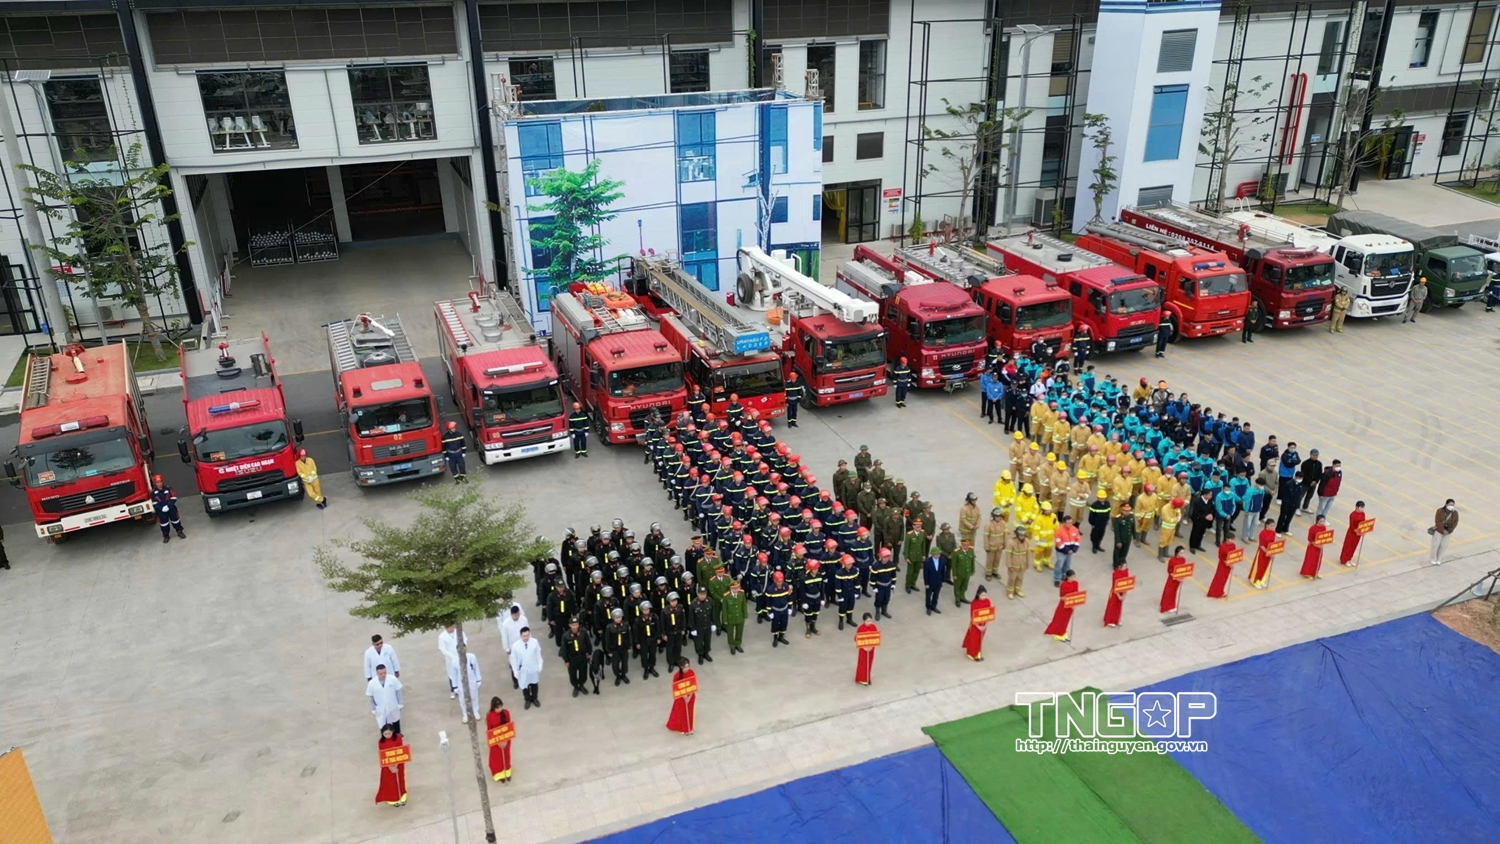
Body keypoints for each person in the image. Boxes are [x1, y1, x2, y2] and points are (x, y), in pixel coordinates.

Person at [508, 627, 543, 709]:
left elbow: (538, 654)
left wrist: (540, 664)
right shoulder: (516, 646)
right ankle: (527, 700)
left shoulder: (534, 642)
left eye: (527, 635)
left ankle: (534, 698)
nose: (526, 637)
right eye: (524, 636)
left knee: (534, 684)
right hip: (522, 670)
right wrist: (515, 671)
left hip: (533, 667)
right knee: (524, 686)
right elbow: (513, 659)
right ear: (520, 635)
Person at [366, 664, 404, 737]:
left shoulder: (392, 679)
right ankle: (385, 738)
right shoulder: (372, 683)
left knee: (395, 720)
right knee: (383, 723)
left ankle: (398, 734)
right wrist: (373, 709)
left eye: (384, 673)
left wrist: (400, 703)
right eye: (381, 673)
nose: (383, 675)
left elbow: (398, 691)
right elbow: (370, 697)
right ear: (377, 673)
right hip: (380, 707)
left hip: (392, 704)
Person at [375, 725, 407, 807]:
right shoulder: (381, 742)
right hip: (387, 765)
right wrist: (390, 767)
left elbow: (400, 751)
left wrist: (395, 765)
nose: (387, 736)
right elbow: (382, 754)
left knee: (399, 779)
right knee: (389, 782)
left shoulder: (398, 738)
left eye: (389, 733)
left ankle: (402, 794)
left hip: (398, 763)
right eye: (385, 734)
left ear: (393, 732)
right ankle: (391, 798)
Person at [498, 603, 528, 687]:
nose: (517, 616)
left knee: (524, 662)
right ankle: (515, 681)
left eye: (518, 614)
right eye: (515, 615)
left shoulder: (523, 620)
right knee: (513, 665)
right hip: (512, 647)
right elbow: (504, 637)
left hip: (523, 644)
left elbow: (528, 631)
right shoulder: (506, 623)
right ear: (511, 614)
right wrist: (506, 648)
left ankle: (525, 678)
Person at [560, 616, 591, 698]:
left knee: (583, 673)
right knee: (572, 675)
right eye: (573, 625)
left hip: (582, 657)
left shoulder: (583, 632)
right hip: (572, 659)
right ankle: (576, 687)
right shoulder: (565, 636)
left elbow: (588, 643)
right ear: (570, 625)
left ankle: (581, 685)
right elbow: (564, 649)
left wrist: (590, 653)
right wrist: (566, 660)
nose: (575, 626)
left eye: (576, 624)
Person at [1044, 570, 1079, 641]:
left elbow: (1076, 594)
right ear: (1068, 577)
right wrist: (1070, 602)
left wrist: (1074, 603)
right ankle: (1057, 633)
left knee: (1066, 620)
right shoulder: (1064, 584)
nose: (1073, 579)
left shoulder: (1075, 583)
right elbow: (1062, 597)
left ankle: (1063, 631)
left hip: (1070, 606)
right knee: (1060, 619)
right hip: (1063, 605)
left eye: (1074, 577)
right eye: (1071, 577)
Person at [150, 475, 186, 543]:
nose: (159, 483)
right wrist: (161, 508)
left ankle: (179, 532)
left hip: (171, 509)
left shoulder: (168, 488)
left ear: (162, 481)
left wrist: (168, 506)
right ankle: (166, 536)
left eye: (160, 482)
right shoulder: (153, 493)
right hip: (161, 512)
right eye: (157, 482)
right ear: (155, 483)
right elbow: (154, 503)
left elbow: (174, 497)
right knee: (164, 524)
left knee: (176, 521)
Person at [665, 657, 696, 736]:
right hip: (681, 698)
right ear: (681, 667)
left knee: (690, 712)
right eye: (685, 667)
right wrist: (685, 697)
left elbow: (693, 685)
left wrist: (689, 697)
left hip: (690, 696)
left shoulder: (691, 672)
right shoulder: (677, 676)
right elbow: (677, 688)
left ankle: (690, 727)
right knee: (682, 713)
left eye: (688, 666)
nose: (687, 668)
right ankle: (683, 728)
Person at [436, 623, 468, 698]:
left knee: (463, 671)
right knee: (452, 674)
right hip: (451, 659)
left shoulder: (459, 632)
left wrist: (464, 648)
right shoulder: (442, 636)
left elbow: (465, 639)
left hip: (461, 655)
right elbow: (442, 649)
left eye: (452, 627)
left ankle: (463, 687)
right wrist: (452, 656)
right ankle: (453, 690)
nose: (451, 629)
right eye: (450, 628)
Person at [485, 697, 513, 782]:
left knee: (506, 757)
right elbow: (489, 730)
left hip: (506, 739)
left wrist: (505, 740)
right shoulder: (489, 716)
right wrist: (497, 742)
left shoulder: (506, 713)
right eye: (497, 708)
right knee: (497, 759)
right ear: (493, 708)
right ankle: (499, 775)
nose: (499, 709)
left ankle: (507, 773)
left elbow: (509, 727)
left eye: (501, 707)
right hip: (495, 741)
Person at [962, 585, 992, 661]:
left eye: (985, 595)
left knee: (980, 639)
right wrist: (979, 627)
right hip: (975, 625)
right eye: (982, 595)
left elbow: (989, 614)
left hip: (984, 624)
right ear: (978, 595)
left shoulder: (987, 601)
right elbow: (972, 617)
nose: (984, 596)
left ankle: (977, 652)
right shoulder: (974, 603)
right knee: (973, 639)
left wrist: (986, 625)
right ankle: (971, 653)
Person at [603, 608, 632, 686]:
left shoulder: (626, 625)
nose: (618, 619)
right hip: (614, 649)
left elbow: (629, 636)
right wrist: (608, 651)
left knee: (624, 663)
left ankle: (623, 674)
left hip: (624, 648)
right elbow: (607, 639)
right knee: (615, 664)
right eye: (616, 618)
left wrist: (629, 646)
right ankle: (618, 676)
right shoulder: (609, 627)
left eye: (619, 617)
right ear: (613, 618)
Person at [451, 650, 483, 722]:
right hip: (461, 683)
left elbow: (476, 668)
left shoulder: (471, 657)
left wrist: (478, 679)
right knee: (462, 699)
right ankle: (465, 714)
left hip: (472, 681)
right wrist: (455, 686)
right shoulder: (454, 660)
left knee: (474, 696)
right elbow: (453, 674)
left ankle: (475, 711)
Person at [721, 579, 748, 654]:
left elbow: (744, 605)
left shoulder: (741, 594)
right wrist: (725, 619)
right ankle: (732, 645)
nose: (736, 590)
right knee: (730, 632)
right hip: (730, 618)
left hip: (740, 616)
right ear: (731, 588)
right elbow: (724, 609)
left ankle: (738, 643)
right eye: (734, 588)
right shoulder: (726, 596)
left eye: (737, 588)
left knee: (739, 631)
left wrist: (745, 615)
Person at [766, 571, 793, 647]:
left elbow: (790, 597)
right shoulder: (770, 590)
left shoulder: (787, 587)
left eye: (781, 581)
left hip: (784, 610)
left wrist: (790, 608)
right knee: (775, 625)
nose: (780, 583)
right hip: (775, 611)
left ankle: (781, 637)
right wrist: (770, 612)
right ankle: (775, 638)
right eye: (778, 581)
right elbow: (768, 601)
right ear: (775, 580)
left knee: (784, 623)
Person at [1248, 519, 1277, 588]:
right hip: (1262, 552)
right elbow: (1261, 546)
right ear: (1267, 525)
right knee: (1259, 567)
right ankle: (1254, 581)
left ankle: (1261, 579)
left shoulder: (1273, 533)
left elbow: (1273, 543)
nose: (1273, 527)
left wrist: (1273, 552)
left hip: (1269, 552)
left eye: (1273, 526)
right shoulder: (1262, 533)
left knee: (1265, 567)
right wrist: (1268, 553)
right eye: (1271, 526)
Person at [1053, 515, 1080, 587]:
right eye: (1068, 523)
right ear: (1064, 523)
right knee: (1059, 565)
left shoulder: (1074, 529)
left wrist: (1074, 549)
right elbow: (1058, 542)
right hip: (1061, 551)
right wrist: (1067, 550)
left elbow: (1078, 539)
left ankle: (1064, 575)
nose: (1070, 524)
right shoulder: (1059, 530)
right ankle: (1057, 579)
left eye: (1071, 522)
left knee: (1067, 565)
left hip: (1070, 551)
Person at [690, 587, 714, 664]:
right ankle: (700, 655)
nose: (703, 596)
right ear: (697, 594)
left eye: (704, 594)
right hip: (698, 628)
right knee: (698, 643)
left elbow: (713, 613)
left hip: (707, 626)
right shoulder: (693, 604)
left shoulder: (709, 601)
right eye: (701, 594)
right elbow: (691, 617)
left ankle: (706, 653)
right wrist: (693, 629)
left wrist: (713, 623)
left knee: (707, 641)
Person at [1431, 499, 1459, 565]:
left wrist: (1450, 530)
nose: (1451, 506)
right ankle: (1433, 558)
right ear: (1446, 504)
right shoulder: (1440, 511)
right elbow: (1437, 521)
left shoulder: (1455, 513)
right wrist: (1443, 530)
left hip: (1448, 532)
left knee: (1443, 546)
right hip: (1439, 531)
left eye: (1453, 505)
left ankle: (1439, 558)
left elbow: (1455, 523)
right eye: (1450, 504)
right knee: (1436, 545)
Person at [1340, 501, 1368, 566]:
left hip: (1358, 533)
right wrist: (1357, 531)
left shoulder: (1363, 513)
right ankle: (1344, 559)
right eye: (1361, 507)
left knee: (1354, 546)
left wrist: (1363, 531)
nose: (1362, 509)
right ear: (1357, 507)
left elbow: (1363, 523)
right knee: (1348, 546)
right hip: (1352, 533)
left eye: (1363, 507)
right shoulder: (1352, 515)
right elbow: (1352, 526)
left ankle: (1349, 558)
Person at [1004, 525, 1029, 599]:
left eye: (1023, 535)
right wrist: (1009, 566)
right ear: (1017, 535)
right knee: (1012, 579)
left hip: (1022, 565)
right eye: (1020, 535)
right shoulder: (1011, 542)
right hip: (1013, 566)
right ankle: (1010, 592)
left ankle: (1017, 590)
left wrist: (1027, 563)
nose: (1022, 537)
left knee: (1020, 579)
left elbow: (1028, 553)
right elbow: (1008, 555)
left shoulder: (1027, 541)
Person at [1160, 547, 1187, 614]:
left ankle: (1171, 606)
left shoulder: (1183, 559)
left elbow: (1183, 569)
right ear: (1177, 552)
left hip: (1178, 579)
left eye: (1183, 553)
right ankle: (1165, 606)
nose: (1182, 554)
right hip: (1172, 579)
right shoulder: (1172, 560)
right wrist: (1177, 578)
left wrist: (1182, 577)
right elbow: (1169, 571)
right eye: (1181, 553)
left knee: (1174, 593)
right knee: (1168, 592)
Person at [1103, 560, 1129, 628]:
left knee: (1119, 607)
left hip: (1122, 591)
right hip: (1115, 592)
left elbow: (1127, 583)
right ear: (1119, 566)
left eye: (1126, 566)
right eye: (1124, 566)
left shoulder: (1126, 572)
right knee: (1112, 606)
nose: (1125, 567)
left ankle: (1117, 620)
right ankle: (1109, 621)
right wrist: (1118, 595)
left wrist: (1124, 594)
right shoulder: (1115, 573)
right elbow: (1114, 585)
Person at [854, 612, 878, 685]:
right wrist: (864, 647)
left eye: (870, 620)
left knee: (869, 663)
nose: (869, 622)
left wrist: (871, 646)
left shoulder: (873, 627)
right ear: (864, 621)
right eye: (867, 621)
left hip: (871, 649)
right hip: (863, 650)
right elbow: (856, 638)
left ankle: (868, 677)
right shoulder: (860, 628)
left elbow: (876, 637)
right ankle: (862, 679)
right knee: (862, 664)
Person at [950, 538, 976, 607]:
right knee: (957, 586)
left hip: (967, 573)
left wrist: (972, 570)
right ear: (961, 544)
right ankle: (957, 599)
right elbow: (954, 564)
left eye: (967, 545)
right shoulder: (956, 552)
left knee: (964, 586)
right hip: (959, 573)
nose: (966, 546)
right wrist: (954, 574)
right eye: (964, 545)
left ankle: (962, 597)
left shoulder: (971, 550)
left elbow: (972, 561)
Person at [923, 550, 947, 615]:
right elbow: (925, 574)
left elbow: (943, 571)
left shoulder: (942, 560)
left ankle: (934, 606)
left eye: (939, 554)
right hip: (930, 582)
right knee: (928, 595)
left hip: (938, 581)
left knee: (936, 595)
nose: (938, 555)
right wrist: (926, 583)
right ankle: (928, 607)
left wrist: (942, 580)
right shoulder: (927, 562)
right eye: (936, 554)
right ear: (933, 554)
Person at [1087, 489, 1111, 553]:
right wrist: (1092, 524)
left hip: (1103, 524)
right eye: (1101, 498)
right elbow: (1091, 516)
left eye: (1104, 498)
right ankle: (1094, 547)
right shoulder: (1094, 505)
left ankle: (1098, 546)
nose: (1102, 499)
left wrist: (1108, 519)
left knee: (1101, 535)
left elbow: (1108, 512)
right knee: (1094, 536)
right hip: (1096, 524)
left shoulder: (1107, 504)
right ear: (1098, 498)